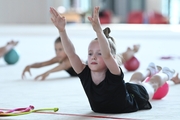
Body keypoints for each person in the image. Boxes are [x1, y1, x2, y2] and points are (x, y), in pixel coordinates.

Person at [50, 6, 175, 113]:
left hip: (133, 98)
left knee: (151, 85)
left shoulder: (113, 72)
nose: (93, 56)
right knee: (135, 79)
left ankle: (166, 73)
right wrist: (62, 31)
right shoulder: (84, 73)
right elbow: (71, 54)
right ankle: (149, 69)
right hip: (122, 90)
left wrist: (99, 31)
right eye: (90, 53)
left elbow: (107, 55)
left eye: (99, 53)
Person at [21, 36, 140, 81]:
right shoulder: (59, 58)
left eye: (61, 49)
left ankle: (132, 50)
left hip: (93, 67)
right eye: (56, 49)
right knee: (117, 58)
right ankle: (129, 51)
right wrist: (30, 66)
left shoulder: (68, 60)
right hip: (90, 65)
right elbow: (43, 63)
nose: (58, 52)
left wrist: (46, 73)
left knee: (118, 59)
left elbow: (61, 67)